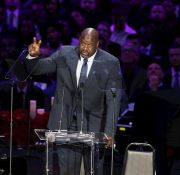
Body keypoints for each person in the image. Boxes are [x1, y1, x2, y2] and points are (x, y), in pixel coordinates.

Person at [26, 28, 123, 175]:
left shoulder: (110, 62)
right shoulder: (65, 53)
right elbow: (40, 68)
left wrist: (110, 131)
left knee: (94, 170)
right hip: (64, 123)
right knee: (67, 171)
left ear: (98, 44)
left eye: (89, 45)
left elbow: (113, 100)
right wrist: (33, 57)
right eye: (82, 43)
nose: (84, 48)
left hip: (94, 125)